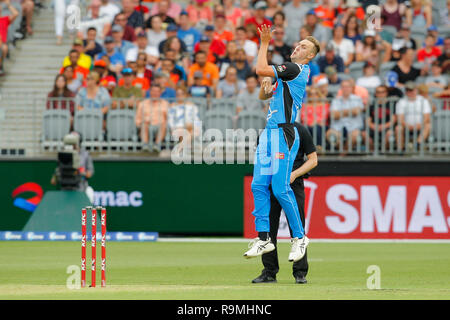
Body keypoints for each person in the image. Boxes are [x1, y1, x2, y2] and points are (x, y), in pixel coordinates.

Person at [244, 24, 320, 262]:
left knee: (280, 188)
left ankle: (299, 238)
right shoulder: (288, 75)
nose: (298, 46)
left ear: (309, 57)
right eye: (299, 43)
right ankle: (264, 238)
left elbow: (259, 68)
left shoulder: (297, 68)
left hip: (284, 133)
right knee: (258, 186)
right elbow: (263, 94)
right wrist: (267, 86)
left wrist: (264, 42)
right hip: (268, 132)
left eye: (304, 47)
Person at [252, 121, 317, 284]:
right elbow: (262, 160)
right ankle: (269, 272)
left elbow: (313, 160)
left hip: (293, 185)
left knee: (297, 228)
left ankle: (300, 272)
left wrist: (294, 174)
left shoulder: (300, 130)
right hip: (271, 184)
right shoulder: (266, 132)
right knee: (268, 229)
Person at [51, 132, 95, 203]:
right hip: (65, 190)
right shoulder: (63, 154)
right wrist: (56, 175)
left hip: (81, 189)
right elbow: (53, 181)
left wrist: (80, 171)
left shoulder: (86, 155)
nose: (72, 145)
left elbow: (89, 174)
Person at [326, 79, 364, 151]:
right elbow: (334, 115)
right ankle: (342, 151)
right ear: (341, 88)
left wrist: (340, 113)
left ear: (352, 88)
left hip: (354, 128)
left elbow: (356, 112)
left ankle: (343, 154)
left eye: (347, 87)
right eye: (343, 87)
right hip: (338, 128)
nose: (345, 89)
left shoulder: (357, 99)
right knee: (329, 134)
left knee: (354, 135)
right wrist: (350, 111)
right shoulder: (336, 100)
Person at [395, 81, 431, 150]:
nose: (410, 92)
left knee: (428, 125)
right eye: (408, 90)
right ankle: (400, 150)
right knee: (398, 128)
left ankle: (417, 144)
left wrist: (420, 125)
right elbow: (400, 118)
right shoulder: (401, 101)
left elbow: (427, 117)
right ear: (405, 91)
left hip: (420, 125)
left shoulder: (423, 100)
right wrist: (406, 125)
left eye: (412, 90)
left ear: (416, 90)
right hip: (406, 126)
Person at [135, 84, 169, 151]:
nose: (155, 93)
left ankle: (157, 145)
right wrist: (141, 122)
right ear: (150, 92)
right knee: (144, 124)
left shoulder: (166, 104)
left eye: (157, 91)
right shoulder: (142, 104)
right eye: (153, 91)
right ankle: (145, 146)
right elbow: (137, 119)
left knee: (164, 124)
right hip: (146, 125)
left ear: (160, 93)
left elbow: (169, 119)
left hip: (161, 126)